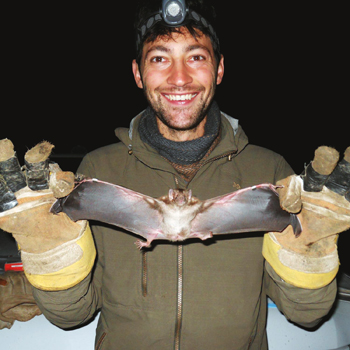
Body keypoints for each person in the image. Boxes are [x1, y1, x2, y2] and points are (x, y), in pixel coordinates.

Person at [0, 1, 349, 349]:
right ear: (138, 73)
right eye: (160, 58)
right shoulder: (99, 171)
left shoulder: (269, 171)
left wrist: (309, 257)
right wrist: (52, 257)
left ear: (219, 69)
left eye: (196, 57)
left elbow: (307, 316)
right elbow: (71, 317)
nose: (179, 77)